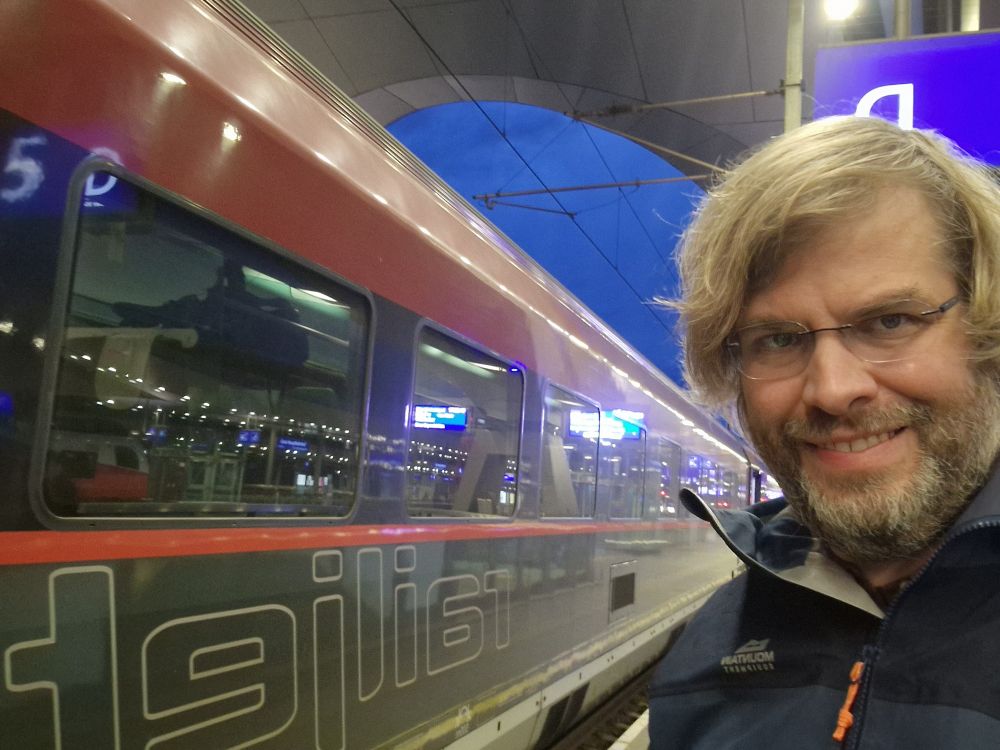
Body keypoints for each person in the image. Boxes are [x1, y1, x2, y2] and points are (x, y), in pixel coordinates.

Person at [647, 115, 1000, 749]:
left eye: (890, 321)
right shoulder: (702, 664)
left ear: (987, 327)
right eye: (778, 340)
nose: (833, 390)